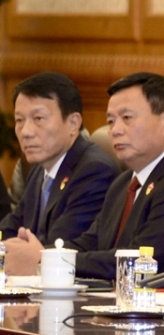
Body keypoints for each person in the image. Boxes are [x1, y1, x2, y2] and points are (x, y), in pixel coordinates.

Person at [5, 72, 164, 279]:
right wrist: (39, 255)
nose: (114, 130)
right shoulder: (123, 184)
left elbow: (138, 262)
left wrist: (45, 259)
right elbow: (89, 243)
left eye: (127, 118)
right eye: (111, 121)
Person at [0, 73, 119, 244]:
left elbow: (59, 246)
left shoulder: (94, 172)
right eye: (19, 120)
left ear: (73, 123)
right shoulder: (39, 171)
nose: (25, 132)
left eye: (38, 118)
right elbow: (10, 228)